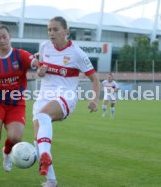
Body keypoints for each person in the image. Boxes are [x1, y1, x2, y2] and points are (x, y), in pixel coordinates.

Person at [32, 16, 100, 187]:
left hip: (66, 96)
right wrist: (40, 72)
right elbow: (40, 73)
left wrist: (95, 99)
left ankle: (45, 158)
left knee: (43, 116)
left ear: (66, 32)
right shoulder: (44, 47)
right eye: (49, 30)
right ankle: (51, 180)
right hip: (44, 96)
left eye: (55, 29)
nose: (51, 33)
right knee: (38, 140)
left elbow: (95, 79)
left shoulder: (77, 53)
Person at [0, 22, 37, 183]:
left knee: (16, 137)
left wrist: (39, 64)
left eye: (5, 36)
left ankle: (7, 152)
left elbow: (33, 62)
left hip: (16, 103)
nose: (2, 40)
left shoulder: (20, 55)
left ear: (10, 37)